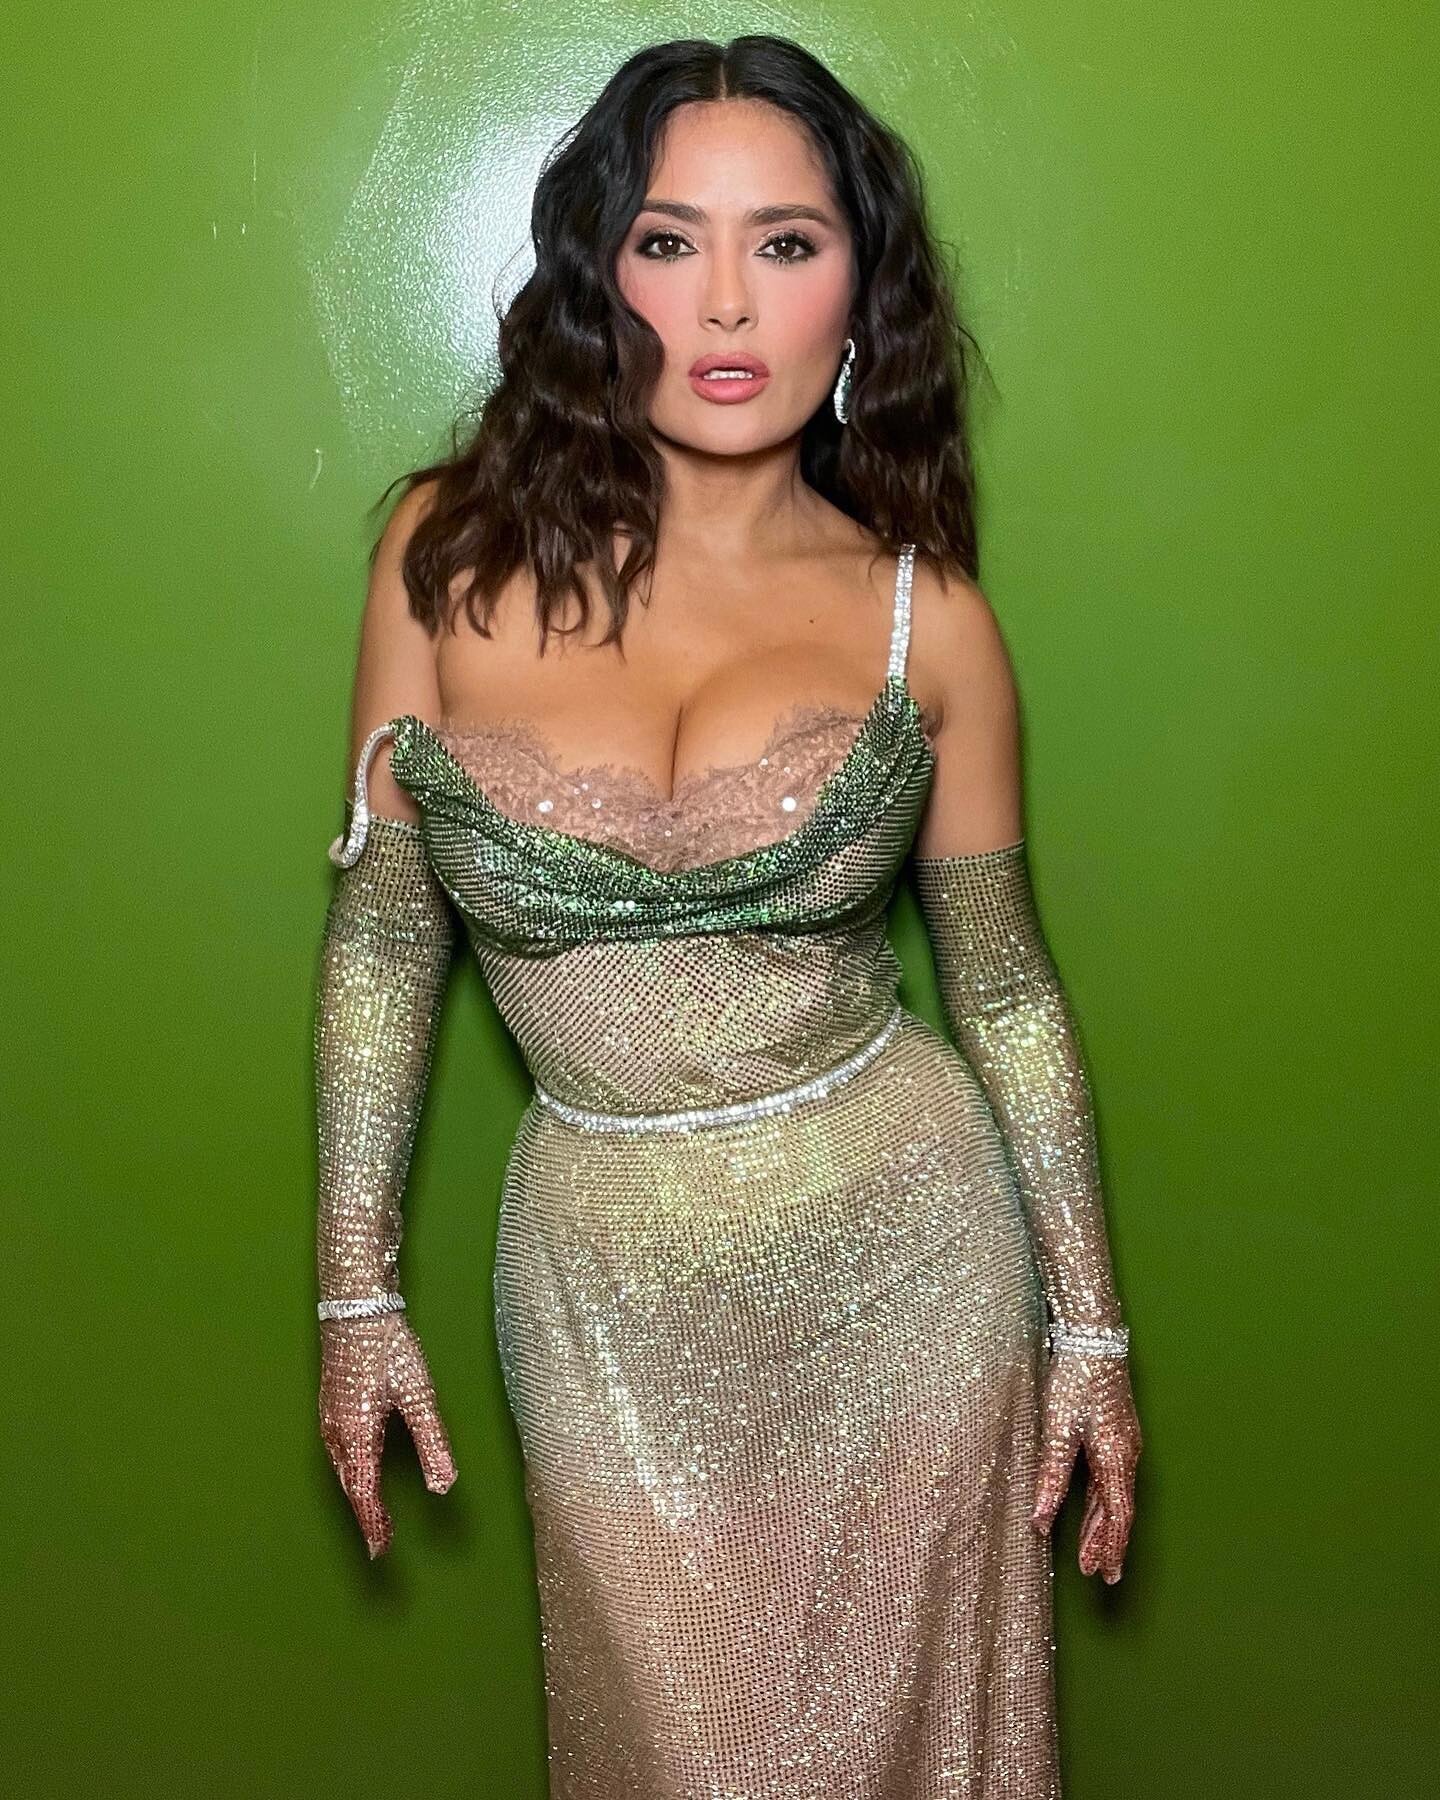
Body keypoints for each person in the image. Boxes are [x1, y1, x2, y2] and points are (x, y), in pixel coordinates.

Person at [312, 34, 1141, 1800]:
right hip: (603, 1289)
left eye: (787, 242)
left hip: (910, 1270)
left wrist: (1090, 1331)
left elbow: (1003, 994)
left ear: (862, 291)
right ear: (597, 275)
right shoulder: (440, 557)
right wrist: (351, 1290)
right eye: (669, 241)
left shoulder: (927, 619)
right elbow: (384, 942)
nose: (727, 303)